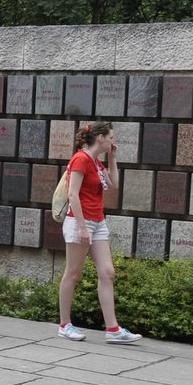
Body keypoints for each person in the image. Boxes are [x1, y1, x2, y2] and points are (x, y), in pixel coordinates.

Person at [57, 122, 142, 344]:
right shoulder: (81, 159)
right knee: (73, 273)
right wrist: (83, 227)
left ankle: (113, 329)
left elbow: (113, 184)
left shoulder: (95, 161)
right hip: (79, 222)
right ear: (101, 138)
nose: (114, 140)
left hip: (98, 221)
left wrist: (112, 158)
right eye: (111, 137)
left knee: (107, 272)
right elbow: (73, 194)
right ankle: (65, 325)